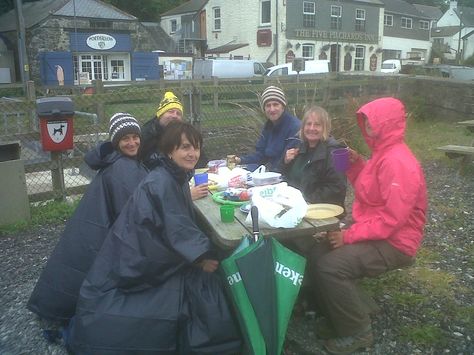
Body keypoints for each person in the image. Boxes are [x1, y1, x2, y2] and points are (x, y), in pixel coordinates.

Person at [67, 121, 241, 354]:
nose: (193, 153)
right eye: (185, 147)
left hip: (144, 247)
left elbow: (176, 223)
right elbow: (175, 227)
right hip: (142, 259)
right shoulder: (162, 181)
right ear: (170, 151)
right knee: (211, 287)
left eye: (196, 147)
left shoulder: (171, 174)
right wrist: (202, 256)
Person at [308, 97, 427, 354]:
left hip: (396, 241)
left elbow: (392, 221)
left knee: (330, 266)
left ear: (388, 125)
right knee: (317, 251)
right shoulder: (382, 153)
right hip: (376, 229)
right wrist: (356, 164)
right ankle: (348, 313)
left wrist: (348, 236)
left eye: (373, 123)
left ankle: (357, 331)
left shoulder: (398, 162)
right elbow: (371, 190)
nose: (369, 128)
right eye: (366, 123)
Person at [27, 113, 148, 326]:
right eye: (125, 138)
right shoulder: (123, 167)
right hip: (102, 231)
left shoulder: (119, 160)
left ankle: (51, 305)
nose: (132, 142)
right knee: (85, 268)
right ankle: (59, 311)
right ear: (116, 142)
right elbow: (131, 214)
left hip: (91, 225)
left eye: (135, 137)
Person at [139, 91, 208, 200]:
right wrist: (185, 195)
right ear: (160, 114)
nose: (174, 116)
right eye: (170, 111)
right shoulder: (147, 135)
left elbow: (200, 159)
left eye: (178, 113)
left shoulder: (183, 133)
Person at [280, 105, 346, 207]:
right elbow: (286, 178)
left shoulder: (338, 153)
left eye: (317, 125)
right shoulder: (299, 147)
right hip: (295, 205)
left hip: (323, 211)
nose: (312, 128)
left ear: (325, 127)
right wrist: (285, 163)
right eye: (308, 124)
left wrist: (305, 200)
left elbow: (338, 189)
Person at [233, 85, 300, 171]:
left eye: (276, 105)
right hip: (267, 172)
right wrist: (240, 160)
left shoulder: (294, 128)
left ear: (283, 106)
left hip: (283, 176)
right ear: (264, 109)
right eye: (268, 105)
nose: (272, 109)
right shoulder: (269, 126)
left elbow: (287, 161)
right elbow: (260, 155)